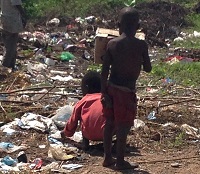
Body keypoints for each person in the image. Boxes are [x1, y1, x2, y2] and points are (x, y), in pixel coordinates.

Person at [101, 7, 152, 170]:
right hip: (126, 91)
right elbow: (148, 68)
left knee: (109, 123)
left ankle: (107, 158)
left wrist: (104, 93)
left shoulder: (112, 44)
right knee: (123, 126)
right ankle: (121, 161)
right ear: (138, 26)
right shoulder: (141, 45)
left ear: (118, 25)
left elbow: (104, 72)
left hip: (111, 88)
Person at [61, 71, 106, 150]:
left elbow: (73, 121)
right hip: (108, 134)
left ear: (86, 87)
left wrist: (66, 133)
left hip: (89, 134)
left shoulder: (83, 101)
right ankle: (116, 144)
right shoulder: (106, 99)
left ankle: (85, 144)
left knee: (84, 117)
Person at [0, 0, 26, 72]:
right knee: (10, 48)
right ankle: (4, 68)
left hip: (4, 18)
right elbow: (17, 5)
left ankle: (11, 67)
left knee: (11, 46)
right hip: (12, 21)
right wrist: (24, 15)